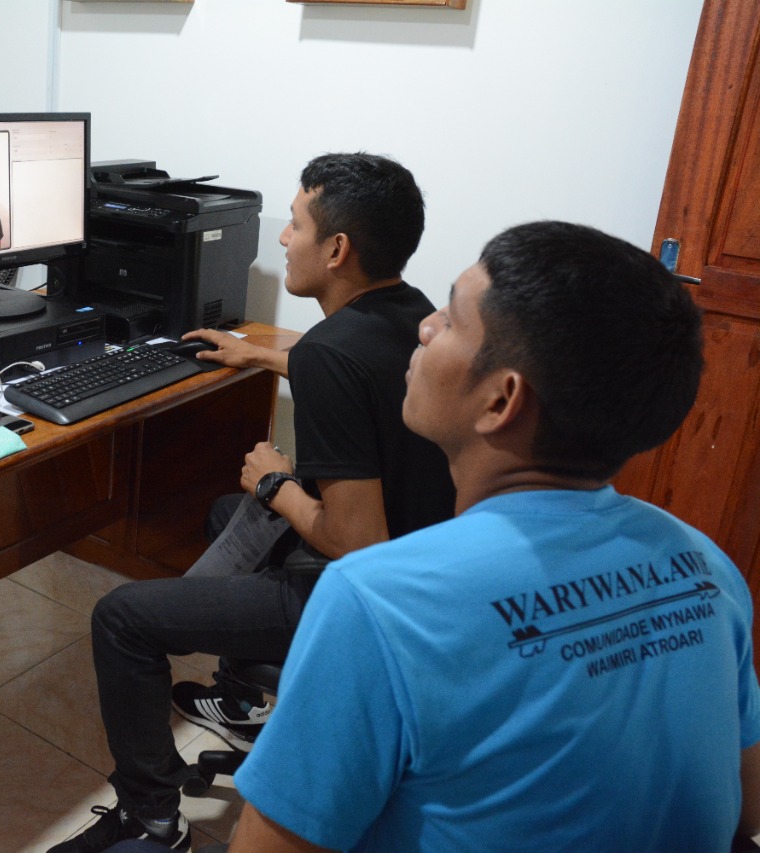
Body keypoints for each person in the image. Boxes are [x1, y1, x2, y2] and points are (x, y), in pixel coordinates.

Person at [230, 221, 760, 851]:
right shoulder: (706, 565)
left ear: (500, 400)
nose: (424, 328)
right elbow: (746, 809)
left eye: (450, 321)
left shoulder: (378, 599)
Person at [48, 153, 455, 853]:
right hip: (420, 582)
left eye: (294, 225)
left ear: (336, 249)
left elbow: (356, 542)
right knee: (219, 517)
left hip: (359, 600)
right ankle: (240, 701)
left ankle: (151, 816)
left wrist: (273, 482)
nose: (281, 240)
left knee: (122, 617)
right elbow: (343, 356)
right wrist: (261, 353)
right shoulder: (411, 316)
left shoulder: (334, 355)